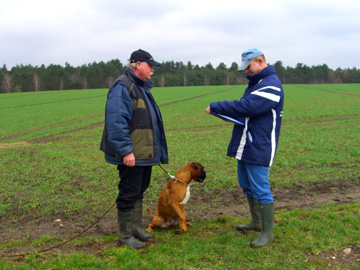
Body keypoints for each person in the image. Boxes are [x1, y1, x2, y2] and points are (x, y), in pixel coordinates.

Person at [205, 48, 284, 248]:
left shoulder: (271, 85)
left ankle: (268, 232)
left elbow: (247, 107)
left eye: (248, 67)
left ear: (259, 61)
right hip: (246, 144)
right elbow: (245, 111)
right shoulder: (257, 84)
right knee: (246, 184)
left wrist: (216, 106)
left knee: (260, 187)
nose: (246, 72)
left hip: (259, 145)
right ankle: (257, 222)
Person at [100, 49, 168, 249]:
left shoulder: (141, 87)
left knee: (140, 190)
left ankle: (136, 228)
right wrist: (125, 151)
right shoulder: (123, 86)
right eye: (150, 66)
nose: (153, 70)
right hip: (132, 154)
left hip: (143, 153)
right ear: (138, 64)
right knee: (129, 192)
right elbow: (116, 121)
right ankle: (125, 235)